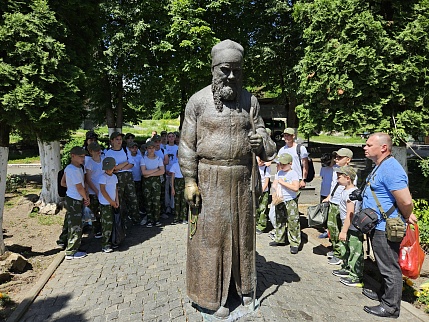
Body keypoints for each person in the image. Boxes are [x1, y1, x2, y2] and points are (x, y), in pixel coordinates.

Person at [179, 39, 276, 318]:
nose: (231, 76)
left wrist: (262, 143)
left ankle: (244, 289)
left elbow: (268, 144)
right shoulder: (197, 102)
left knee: (243, 237)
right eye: (225, 69)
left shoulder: (250, 101)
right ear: (213, 69)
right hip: (210, 179)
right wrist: (189, 181)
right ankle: (210, 297)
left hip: (243, 179)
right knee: (212, 239)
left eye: (237, 70)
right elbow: (186, 145)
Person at [361, 133, 417, 318]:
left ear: (383, 148)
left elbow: (406, 201)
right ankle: (383, 294)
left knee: (389, 267)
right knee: (383, 263)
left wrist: (407, 215)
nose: (365, 147)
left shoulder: (391, 169)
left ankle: (391, 307)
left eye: (369, 145)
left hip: (385, 226)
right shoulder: (381, 166)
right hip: (376, 225)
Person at [322, 148, 357, 265]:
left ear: (348, 160)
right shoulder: (335, 169)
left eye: (340, 157)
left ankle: (341, 254)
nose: (336, 159)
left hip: (341, 204)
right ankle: (336, 249)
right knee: (332, 228)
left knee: (340, 230)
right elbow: (334, 186)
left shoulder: (349, 173)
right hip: (333, 201)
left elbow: (350, 190)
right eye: (336, 157)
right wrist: (329, 197)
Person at [331, 165, 364, 287]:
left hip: (353, 228)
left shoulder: (351, 194)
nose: (337, 179)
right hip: (347, 226)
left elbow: (350, 213)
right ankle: (346, 267)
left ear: (348, 178)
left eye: (339, 177)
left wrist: (344, 231)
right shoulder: (345, 191)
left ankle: (356, 275)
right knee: (346, 248)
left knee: (355, 251)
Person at [105, 132, 141, 226]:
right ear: (112, 141)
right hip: (117, 178)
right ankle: (121, 221)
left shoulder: (125, 149)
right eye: (117, 139)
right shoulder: (109, 153)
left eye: (120, 139)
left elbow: (131, 163)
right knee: (119, 199)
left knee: (133, 198)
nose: (119, 141)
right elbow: (113, 168)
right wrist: (125, 163)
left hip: (128, 176)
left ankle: (136, 219)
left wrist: (120, 167)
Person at [269, 153, 300, 254]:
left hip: (290, 200)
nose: (281, 166)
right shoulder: (279, 173)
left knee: (293, 221)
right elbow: (275, 184)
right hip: (280, 199)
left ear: (290, 163)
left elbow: (296, 188)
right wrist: (274, 191)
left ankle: (294, 243)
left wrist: (283, 183)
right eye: (280, 164)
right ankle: (280, 238)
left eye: (284, 164)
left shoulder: (293, 174)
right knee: (279, 220)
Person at [62, 146, 89, 260]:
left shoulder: (73, 168)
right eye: (80, 156)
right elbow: (79, 187)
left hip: (72, 197)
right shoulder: (73, 169)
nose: (83, 159)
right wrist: (86, 198)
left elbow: (63, 182)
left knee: (73, 223)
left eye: (83, 156)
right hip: (75, 199)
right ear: (73, 156)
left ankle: (72, 247)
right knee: (76, 225)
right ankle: (71, 251)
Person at [140, 141, 165, 227]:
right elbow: (143, 172)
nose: (151, 150)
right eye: (149, 148)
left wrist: (150, 174)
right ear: (146, 149)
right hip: (146, 183)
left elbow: (162, 171)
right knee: (148, 201)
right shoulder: (143, 159)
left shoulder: (158, 159)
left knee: (156, 201)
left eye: (153, 148)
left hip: (156, 182)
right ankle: (150, 220)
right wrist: (156, 169)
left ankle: (156, 219)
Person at [98, 157, 119, 253]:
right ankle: (105, 244)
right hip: (105, 203)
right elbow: (102, 190)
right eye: (106, 168)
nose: (108, 170)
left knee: (112, 223)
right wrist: (111, 201)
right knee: (106, 224)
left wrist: (116, 200)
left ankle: (112, 241)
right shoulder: (103, 177)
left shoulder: (114, 177)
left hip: (113, 203)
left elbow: (115, 189)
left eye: (110, 168)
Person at [84, 142, 104, 238]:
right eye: (96, 151)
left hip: (103, 191)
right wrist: (96, 191)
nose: (98, 152)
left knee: (104, 211)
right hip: (94, 192)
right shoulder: (89, 163)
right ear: (90, 152)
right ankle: (97, 230)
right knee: (94, 212)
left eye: (99, 150)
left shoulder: (103, 160)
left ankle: (104, 228)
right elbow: (88, 179)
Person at [318, 153, 335, 238]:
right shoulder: (324, 168)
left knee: (330, 213)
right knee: (324, 212)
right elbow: (323, 178)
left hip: (331, 193)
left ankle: (329, 230)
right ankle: (325, 229)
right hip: (323, 192)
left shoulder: (335, 169)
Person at [170, 152, 187, 224]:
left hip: (184, 182)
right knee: (177, 202)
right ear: (177, 156)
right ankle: (176, 218)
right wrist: (173, 188)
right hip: (177, 182)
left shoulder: (186, 166)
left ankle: (183, 218)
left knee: (184, 202)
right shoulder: (175, 165)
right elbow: (172, 177)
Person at [256, 156, 271, 234]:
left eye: (262, 161)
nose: (260, 162)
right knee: (256, 208)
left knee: (263, 208)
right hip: (255, 190)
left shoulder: (266, 168)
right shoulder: (255, 166)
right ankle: (255, 223)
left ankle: (261, 226)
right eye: (259, 160)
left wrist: (261, 191)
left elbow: (266, 182)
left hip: (263, 191)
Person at [128, 141, 144, 215]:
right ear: (129, 148)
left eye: (135, 147)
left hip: (139, 178)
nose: (134, 149)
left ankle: (140, 209)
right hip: (130, 179)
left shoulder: (140, 157)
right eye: (132, 148)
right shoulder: (127, 157)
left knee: (139, 195)